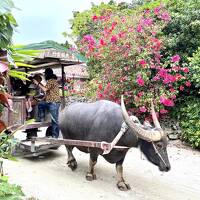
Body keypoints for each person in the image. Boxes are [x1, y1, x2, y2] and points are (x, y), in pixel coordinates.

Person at [33, 68, 61, 138]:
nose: (44, 75)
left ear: (47, 74)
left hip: (53, 102)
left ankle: (55, 136)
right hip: (51, 102)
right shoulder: (52, 81)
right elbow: (47, 92)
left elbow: (45, 89)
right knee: (41, 104)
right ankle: (41, 118)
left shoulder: (51, 81)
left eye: (45, 74)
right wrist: (42, 99)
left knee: (54, 120)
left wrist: (37, 83)